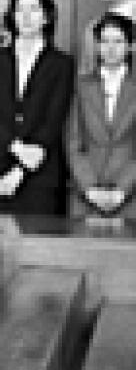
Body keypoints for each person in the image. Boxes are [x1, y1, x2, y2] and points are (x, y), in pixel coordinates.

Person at [0, 0, 75, 215]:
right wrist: (15, 147)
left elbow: (53, 120)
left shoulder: (62, 64)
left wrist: (20, 170)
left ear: (46, 17)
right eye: (19, 10)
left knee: (37, 247)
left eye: (34, 9)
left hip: (39, 174)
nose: (26, 17)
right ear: (12, 16)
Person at [66, 14, 136, 218]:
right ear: (96, 46)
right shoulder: (81, 86)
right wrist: (90, 188)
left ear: (130, 46)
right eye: (104, 41)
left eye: (118, 41)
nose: (110, 48)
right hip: (85, 196)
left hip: (130, 196)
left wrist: (122, 189)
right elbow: (73, 143)